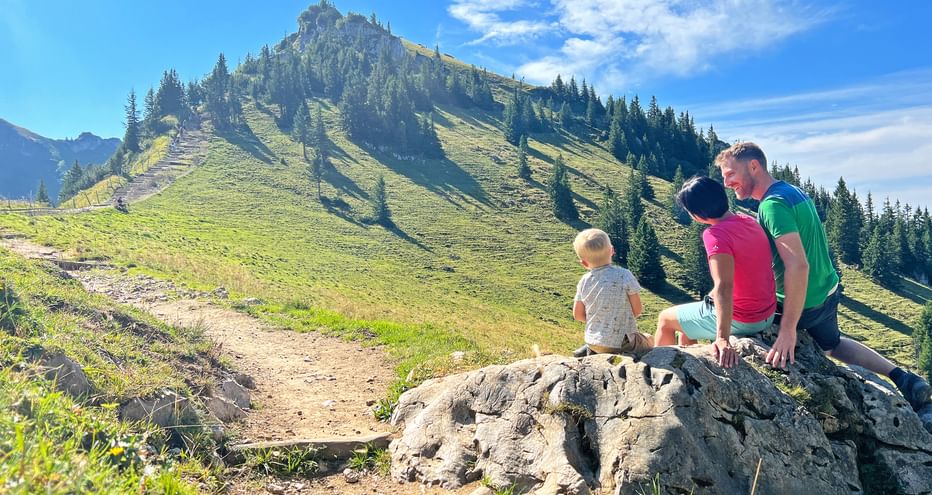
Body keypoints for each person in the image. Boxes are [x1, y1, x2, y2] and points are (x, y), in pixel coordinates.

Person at [715, 142, 931, 410]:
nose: (726, 183)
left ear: (754, 166)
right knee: (832, 345)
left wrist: (787, 330)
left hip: (798, 302)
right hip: (825, 291)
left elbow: (798, 266)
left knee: (726, 312)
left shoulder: (772, 206)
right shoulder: (791, 191)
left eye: (730, 174)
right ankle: (904, 379)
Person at [655, 177, 776, 368]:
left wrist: (722, 338)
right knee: (686, 328)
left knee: (665, 319)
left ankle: (665, 371)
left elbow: (724, 286)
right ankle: (692, 369)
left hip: (745, 318)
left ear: (697, 214)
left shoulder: (715, 234)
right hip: (767, 313)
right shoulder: (748, 221)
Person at [571, 228, 651, 356]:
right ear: (612, 250)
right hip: (622, 342)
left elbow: (578, 315)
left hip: (593, 342)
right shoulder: (624, 275)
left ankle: (587, 351)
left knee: (599, 346)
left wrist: (601, 321)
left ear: (584, 263)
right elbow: (637, 310)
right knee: (649, 338)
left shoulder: (584, 281)